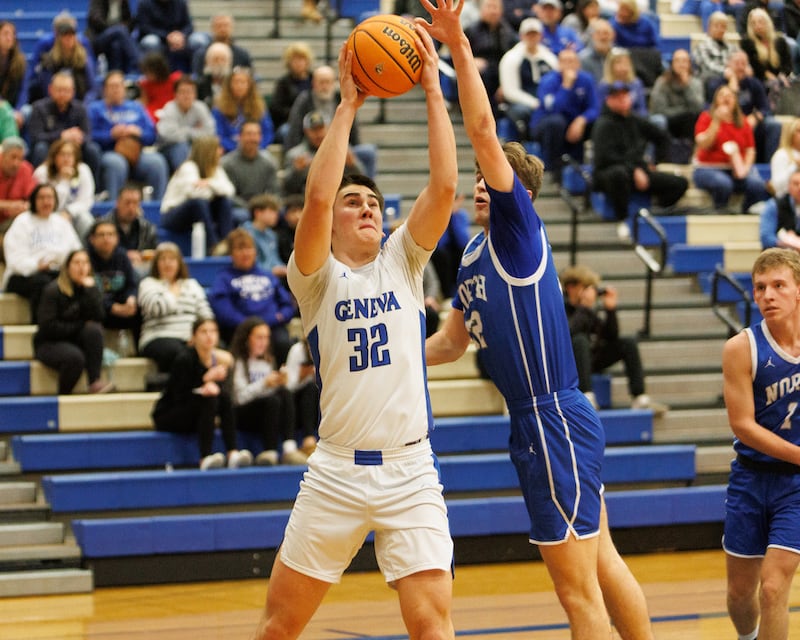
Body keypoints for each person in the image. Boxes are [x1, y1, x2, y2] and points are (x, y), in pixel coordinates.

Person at [419, 2, 654, 638]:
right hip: (536, 421)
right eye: (475, 178)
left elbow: (483, 132)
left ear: (515, 194)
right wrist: (404, 356)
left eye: (487, 179)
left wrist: (458, 55)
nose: (476, 184)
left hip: (552, 415)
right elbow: (451, 339)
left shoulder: (517, 232)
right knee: (601, 564)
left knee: (575, 592)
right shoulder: (471, 254)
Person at [249, 23, 458, 640]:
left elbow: (444, 186)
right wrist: (346, 106)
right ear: (334, 224)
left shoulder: (404, 260)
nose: (367, 208)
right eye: (354, 203)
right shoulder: (314, 278)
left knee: (432, 625)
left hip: (411, 471)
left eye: (374, 202)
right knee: (279, 627)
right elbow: (315, 199)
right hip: (336, 471)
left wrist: (430, 89)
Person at [721, 247, 800, 640]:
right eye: (760, 288)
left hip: (796, 486)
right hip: (751, 479)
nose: (768, 295)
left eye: (779, 285)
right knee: (739, 594)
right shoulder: (741, 348)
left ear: (798, 290)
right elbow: (743, 426)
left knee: (773, 587)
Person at [561, 264, 668, 413]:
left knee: (628, 343)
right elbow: (568, 334)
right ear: (571, 287)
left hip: (592, 359)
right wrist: (584, 308)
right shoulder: (561, 308)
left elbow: (611, 336)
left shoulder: (588, 311)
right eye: (585, 287)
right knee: (580, 340)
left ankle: (639, 397)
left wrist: (610, 310)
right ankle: (587, 396)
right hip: (569, 363)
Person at [152, 317, 253, 470]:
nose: (209, 336)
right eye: (203, 332)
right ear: (194, 336)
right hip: (170, 414)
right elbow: (179, 396)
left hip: (197, 414)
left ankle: (233, 453)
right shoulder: (184, 358)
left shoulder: (217, 359)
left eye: (213, 331)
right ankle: (205, 457)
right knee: (209, 399)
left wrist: (212, 385)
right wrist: (204, 380)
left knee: (224, 398)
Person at [591, 81, 688, 239]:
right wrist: (634, 169)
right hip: (608, 174)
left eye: (625, 96)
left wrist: (655, 161)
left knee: (680, 183)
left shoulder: (635, 120)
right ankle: (622, 220)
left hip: (638, 170)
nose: (623, 100)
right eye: (618, 97)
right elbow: (605, 158)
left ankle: (655, 213)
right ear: (609, 100)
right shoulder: (602, 124)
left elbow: (662, 137)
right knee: (618, 174)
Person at [34, 248, 115, 395]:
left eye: (85, 263)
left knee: (94, 331)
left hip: (75, 340)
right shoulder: (53, 290)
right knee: (75, 358)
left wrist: (91, 292)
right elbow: (48, 327)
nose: (81, 267)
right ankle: (63, 396)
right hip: (49, 343)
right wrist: (80, 325)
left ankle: (94, 382)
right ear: (67, 267)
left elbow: (100, 317)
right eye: (77, 263)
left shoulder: (90, 288)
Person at [229, 317, 308, 466]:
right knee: (273, 401)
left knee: (284, 393)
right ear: (247, 338)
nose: (263, 342)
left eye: (266, 337)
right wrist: (264, 383)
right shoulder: (238, 361)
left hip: (267, 411)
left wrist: (280, 382)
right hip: (243, 414)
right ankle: (270, 450)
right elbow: (238, 398)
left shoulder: (268, 360)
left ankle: (289, 448)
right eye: (259, 337)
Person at [208, 228, 296, 361]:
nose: (245, 253)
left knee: (283, 343)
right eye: (240, 249)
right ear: (231, 253)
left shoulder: (268, 276)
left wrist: (280, 317)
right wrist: (250, 326)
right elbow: (223, 310)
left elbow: (287, 305)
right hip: (240, 330)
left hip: (272, 327)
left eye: (249, 248)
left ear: (255, 251)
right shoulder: (224, 278)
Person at [3, 183, 82, 322]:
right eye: (42, 198)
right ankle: (42, 326)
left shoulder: (62, 223)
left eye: (50, 197)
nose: (46, 202)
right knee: (44, 283)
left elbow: (76, 251)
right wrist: (36, 265)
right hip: (23, 276)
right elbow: (14, 259)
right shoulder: (22, 222)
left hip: (57, 272)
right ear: (33, 200)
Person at [284, 64, 377, 179]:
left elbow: (353, 129)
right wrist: (297, 154)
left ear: (334, 83)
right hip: (310, 147)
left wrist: (350, 155)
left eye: (328, 82)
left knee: (367, 152)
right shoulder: (304, 100)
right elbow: (294, 129)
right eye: (321, 82)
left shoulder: (342, 99)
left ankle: (370, 191)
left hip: (340, 146)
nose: (324, 86)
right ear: (313, 83)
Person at [88, 71, 169, 201]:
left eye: (119, 86)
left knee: (157, 162)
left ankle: (158, 207)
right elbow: (89, 136)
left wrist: (139, 132)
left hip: (137, 153)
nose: (116, 90)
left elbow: (152, 135)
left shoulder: (136, 107)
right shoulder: (95, 108)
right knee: (116, 164)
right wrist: (110, 135)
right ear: (104, 89)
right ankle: (113, 207)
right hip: (110, 152)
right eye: (112, 86)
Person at [137, 242, 214, 373]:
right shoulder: (148, 284)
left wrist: (198, 336)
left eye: (172, 259)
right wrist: (171, 290)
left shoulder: (192, 284)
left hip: (191, 337)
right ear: (156, 264)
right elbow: (156, 309)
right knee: (181, 353)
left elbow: (205, 314)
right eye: (163, 259)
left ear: (179, 263)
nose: (168, 264)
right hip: (159, 336)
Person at [693, 84, 771, 213]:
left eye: (729, 96)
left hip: (735, 170)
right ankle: (720, 212)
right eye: (721, 95)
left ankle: (744, 212)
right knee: (724, 184)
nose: (726, 99)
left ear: (735, 101)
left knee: (757, 185)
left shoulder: (743, 122)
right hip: (708, 169)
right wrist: (716, 122)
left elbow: (750, 150)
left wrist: (744, 169)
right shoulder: (706, 117)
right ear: (715, 100)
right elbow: (703, 143)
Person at [530, 47, 599, 183]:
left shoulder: (586, 80)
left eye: (572, 61)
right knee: (557, 122)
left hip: (575, 124)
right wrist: (566, 86)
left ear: (578, 64)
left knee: (598, 123)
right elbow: (554, 108)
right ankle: (552, 169)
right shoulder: (548, 81)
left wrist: (581, 120)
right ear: (558, 64)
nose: (569, 65)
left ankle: (585, 171)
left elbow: (594, 107)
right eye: (565, 61)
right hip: (545, 125)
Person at [160, 135, 236, 255]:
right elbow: (196, 194)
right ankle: (213, 246)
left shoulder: (215, 169)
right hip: (173, 216)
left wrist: (209, 183)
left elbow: (230, 190)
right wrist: (214, 187)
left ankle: (227, 243)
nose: (222, 151)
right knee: (198, 202)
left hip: (198, 215)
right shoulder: (188, 167)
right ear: (208, 151)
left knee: (224, 201)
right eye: (218, 148)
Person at [708, 50, 782, 164]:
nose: (740, 67)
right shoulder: (717, 83)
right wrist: (732, 85)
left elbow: (765, 108)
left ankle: (768, 168)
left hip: (748, 123)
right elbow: (711, 108)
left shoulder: (754, 83)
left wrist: (755, 117)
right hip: (725, 123)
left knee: (774, 125)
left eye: (744, 64)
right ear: (728, 65)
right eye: (737, 63)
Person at [26, 70, 101, 179]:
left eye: (66, 90)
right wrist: (61, 136)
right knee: (40, 148)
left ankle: (95, 190)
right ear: (50, 89)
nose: (62, 94)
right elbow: (36, 136)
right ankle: (40, 186)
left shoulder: (80, 109)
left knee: (92, 149)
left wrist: (77, 138)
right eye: (59, 90)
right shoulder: (39, 108)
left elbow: (88, 135)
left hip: (74, 148)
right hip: (50, 147)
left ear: (73, 92)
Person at [497, 18, 558, 141]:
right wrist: (534, 103)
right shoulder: (511, 58)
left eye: (535, 34)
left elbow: (557, 82)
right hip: (520, 103)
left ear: (541, 36)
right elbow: (510, 91)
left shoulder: (549, 58)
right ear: (521, 36)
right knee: (521, 113)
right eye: (528, 34)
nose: (532, 37)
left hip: (545, 101)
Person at [282, 111, 364, 197]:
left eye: (320, 128)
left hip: (338, 199)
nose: (318, 134)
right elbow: (287, 188)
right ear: (306, 131)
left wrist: (352, 166)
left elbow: (362, 181)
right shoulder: (295, 155)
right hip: (306, 201)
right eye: (313, 130)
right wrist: (297, 172)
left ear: (328, 128)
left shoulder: (343, 150)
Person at [86, 219, 140, 345]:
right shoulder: (85, 259)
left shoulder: (122, 256)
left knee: (140, 309)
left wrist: (131, 299)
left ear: (117, 238)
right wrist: (112, 307)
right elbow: (88, 293)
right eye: (102, 235)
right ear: (92, 239)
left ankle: (139, 350)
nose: (106, 238)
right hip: (98, 309)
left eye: (110, 234)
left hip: (121, 305)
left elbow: (132, 284)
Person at [27, 12, 97, 104]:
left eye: (71, 36)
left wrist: (84, 106)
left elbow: (92, 88)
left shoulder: (84, 59)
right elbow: (46, 89)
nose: (69, 40)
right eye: (65, 36)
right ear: (58, 38)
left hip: (80, 104)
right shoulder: (48, 60)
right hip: (53, 105)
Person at [463, 0, 519, 114]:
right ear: (481, 10)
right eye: (489, 7)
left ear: (501, 11)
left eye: (495, 7)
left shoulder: (508, 32)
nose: (493, 11)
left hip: (501, 73)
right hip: (478, 74)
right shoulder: (470, 30)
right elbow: (457, 55)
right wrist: (470, 61)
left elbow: (515, 56)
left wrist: (507, 84)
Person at [32, 139, 95, 239]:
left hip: (73, 214)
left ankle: (85, 252)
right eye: (62, 154)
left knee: (86, 220)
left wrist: (69, 212)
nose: (66, 159)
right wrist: (64, 182)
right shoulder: (42, 173)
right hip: (49, 214)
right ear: (54, 157)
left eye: (70, 155)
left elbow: (86, 200)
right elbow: (51, 204)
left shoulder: (83, 170)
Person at [156, 74, 217, 173]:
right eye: (183, 92)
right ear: (175, 95)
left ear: (195, 94)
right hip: (169, 148)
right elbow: (168, 135)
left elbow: (210, 132)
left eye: (190, 92)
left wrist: (183, 130)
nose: (187, 96)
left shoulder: (200, 107)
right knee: (181, 147)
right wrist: (194, 131)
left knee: (209, 147)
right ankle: (187, 179)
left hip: (195, 146)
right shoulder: (169, 108)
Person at [220, 120, 279, 219]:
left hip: (263, 206)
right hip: (239, 207)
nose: (252, 138)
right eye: (248, 134)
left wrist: (266, 208)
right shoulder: (227, 163)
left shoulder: (269, 162)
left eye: (256, 134)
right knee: (240, 215)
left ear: (261, 137)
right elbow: (229, 195)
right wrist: (251, 208)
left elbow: (274, 191)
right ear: (240, 137)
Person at [648, 49, 706, 147]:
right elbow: (658, 109)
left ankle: (688, 151)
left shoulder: (695, 83)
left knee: (693, 117)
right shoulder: (662, 82)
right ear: (672, 64)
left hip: (690, 121)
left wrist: (686, 86)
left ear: (689, 64)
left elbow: (698, 108)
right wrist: (683, 111)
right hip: (669, 120)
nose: (681, 64)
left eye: (684, 61)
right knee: (686, 116)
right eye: (677, 61)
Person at [98, 183, 158, 276]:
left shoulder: (147, 227)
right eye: (127, 202)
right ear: (117, 203)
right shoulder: (102, 226)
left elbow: (154, 251)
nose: (131, 208)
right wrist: (124, 255)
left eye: (135, 203)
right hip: (110, 269)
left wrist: (143, 256)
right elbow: (96, 253)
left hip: (141, 268)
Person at [212, 66, 274, 154]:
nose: (239, 86)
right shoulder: (219, 108)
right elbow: (218, 135)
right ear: (229, 85)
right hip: (229, 152)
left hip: (256, 151)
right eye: (236, 82)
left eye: (243, 82)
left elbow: (268, 133)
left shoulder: (259, 107)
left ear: (249, 85)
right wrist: (236, 148)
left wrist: (257, 147)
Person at [136, 0, 206, 73]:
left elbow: (189, 26)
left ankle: (196, 77)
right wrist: (167, 36)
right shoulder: (144, 3)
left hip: (180, 40)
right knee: (150, 41)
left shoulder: (181, 2)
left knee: (199, 40)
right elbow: (144, 27)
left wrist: (182, 35)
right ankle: (157, 78)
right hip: (159, 39)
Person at [269, 42, 314, 144]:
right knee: (286, 132)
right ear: (289, 62)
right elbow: (276, 108)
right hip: (290, 122)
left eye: (301, 59)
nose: (298, 63)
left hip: (314, 121)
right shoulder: (283, 83)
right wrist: (296, 114)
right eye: (295, 59)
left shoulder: (315, 79)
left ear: (307, 61)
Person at [0, 136, 38, 255]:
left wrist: (24, 207)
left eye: (20, 158)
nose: (16, 163)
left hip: (15, 222)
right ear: (2, 156)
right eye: (13, 157)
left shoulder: (25, 169)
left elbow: (35, 199)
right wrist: (8, 206)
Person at [283, 336, 319, 456]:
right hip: (296, 402)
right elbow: (287, 386)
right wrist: (301, 377)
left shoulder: (329, 347)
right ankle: (308, 439)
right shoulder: (297, 350)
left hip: (319, 403)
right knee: (310, 388)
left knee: (314, 388)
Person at [740, 7, 793, 87]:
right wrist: (768, 75)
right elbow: (754, 66)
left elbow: (787, 64)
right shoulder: (747, 43)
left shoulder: (780, 41)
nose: (757, 26)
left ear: (768, 22)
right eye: (753, 23)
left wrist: (783, 74)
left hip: (781, 78)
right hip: (760, 81)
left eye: (760, 22)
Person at [694, 11, 740, 99]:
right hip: (711, 80)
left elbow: (739, 61)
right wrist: (726, 72)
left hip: (731, 77)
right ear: (709, 27)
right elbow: (707, 67)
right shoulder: (702, 47)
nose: (720, 29)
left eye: (723, 26)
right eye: (717, 26)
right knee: (715, 83)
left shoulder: (732, 47)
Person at [86, 0, 140, 74]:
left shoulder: (124, 2)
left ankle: (115, 74)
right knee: (119, 30)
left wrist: (122, 28)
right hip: (99, 38)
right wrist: (115, 29)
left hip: (117, 38)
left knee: (116, 45)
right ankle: (139, 63)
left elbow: (128, 22)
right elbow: (96, 21)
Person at [242, 194, 287, 278]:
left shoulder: (271, 235)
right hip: (255, 276)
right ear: (258, 213)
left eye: (276, 212)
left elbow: (275, 259)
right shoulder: (245, 234)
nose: (276, 215)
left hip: (275, 275)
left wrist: (284, 269)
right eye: (271, 211)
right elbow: (249, 264)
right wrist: (272, 270)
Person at [597, 47, 648, 117]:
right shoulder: (605, 85)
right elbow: (601, 110)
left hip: (635, 120)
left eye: (626, 62)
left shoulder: (636, 83)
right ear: (611, 65)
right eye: (618, 62)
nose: (623, 66)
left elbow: (642, 108)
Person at [759, 169, 800, 249]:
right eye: (796, 184)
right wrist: (787, 242)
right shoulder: (773, 205)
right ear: (788, 186)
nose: (799, 188)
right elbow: (766, 238)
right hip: (780, 255)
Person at [137, 51, 181, 124]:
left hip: (173, 109)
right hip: (154, 112)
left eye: (149, 72)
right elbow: (144, 102)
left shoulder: (176, 79)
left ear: (158, 70)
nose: (147, 75)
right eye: (145, 72)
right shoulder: (145, 84)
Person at [0, 21, 28, 125]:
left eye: (12, 34)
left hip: (15, 106)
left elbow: (24, 90)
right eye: (5, 34)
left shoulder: (20, 61)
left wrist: (18, 109)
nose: (9, 38)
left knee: (27, 111)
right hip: (1, 105)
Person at [769, 117, 800, 198]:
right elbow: (777, 187)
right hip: (786, 201)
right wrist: (795, 166)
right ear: (790, 133)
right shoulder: (781, 155)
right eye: (799, 131)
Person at [196, 42, 232, 109]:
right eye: (216, 59)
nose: (219, 63)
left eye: (223, 59)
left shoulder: (233, 84)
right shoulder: (200, 84)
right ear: (208, 61)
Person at [579, 18, 616, 82]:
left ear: (613, 36)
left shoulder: (618, 56)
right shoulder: (583, 58)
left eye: (606, 33)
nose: (603, 37)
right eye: (598, 33)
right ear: (593, 36)